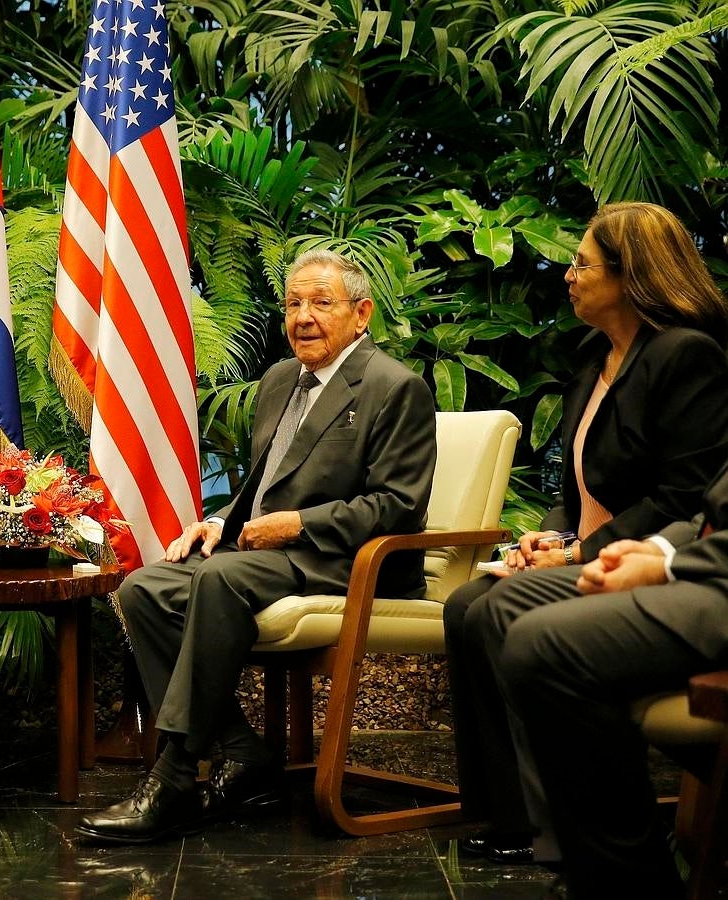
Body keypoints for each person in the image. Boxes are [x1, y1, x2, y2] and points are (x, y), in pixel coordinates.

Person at [77, 249, 437, 844]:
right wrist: (219, 522)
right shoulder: (277, 381)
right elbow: (265, 482)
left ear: (362, 313)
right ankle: (244, 751)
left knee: (220, 580)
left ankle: (173, 777)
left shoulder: (395, 387)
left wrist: (297, 525)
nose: (303, 317)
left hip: (349, 562)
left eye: (322, 303)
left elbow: (397, 506)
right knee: (144, 587)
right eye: (293, 303)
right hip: (270, 558)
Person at [444, 202, 728, 864]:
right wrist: (548, 537)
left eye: (580, 263)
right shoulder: (592, 359)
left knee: (497, 613)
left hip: (641, 557)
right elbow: (571, 490)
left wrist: (581, 552)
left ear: (629, 276)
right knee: (464, 606)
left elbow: (685, 495)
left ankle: (563, 829)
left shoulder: (685, 357)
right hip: (587, 551)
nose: (567, 275)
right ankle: (508, 816)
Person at [492, 459, 728, 898]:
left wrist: (667, 565)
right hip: (700, 562)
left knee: (544, 643)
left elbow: (677, 492)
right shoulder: (582, 387)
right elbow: (711, 512)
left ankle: (627, 883)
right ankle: (562, 847)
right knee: (508, 601)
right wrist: (658, 549)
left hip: (717, 583)